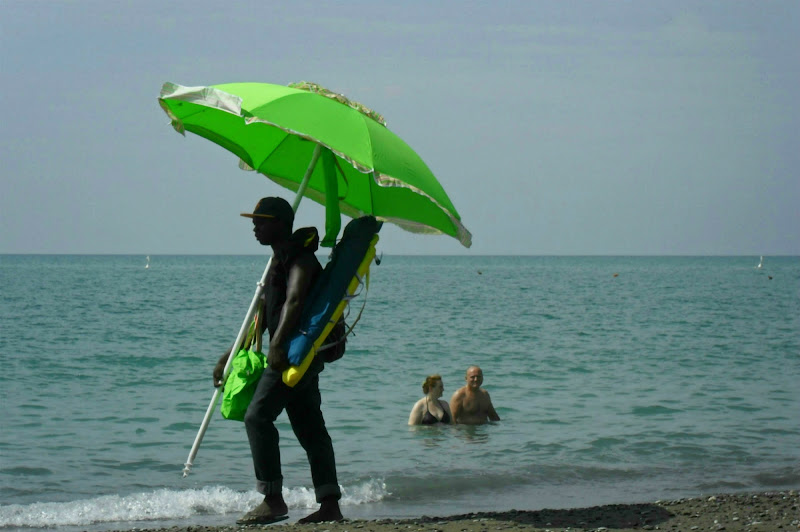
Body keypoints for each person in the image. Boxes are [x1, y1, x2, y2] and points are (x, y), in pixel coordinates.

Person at [212, 197, 343, 525]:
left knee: (257, 418)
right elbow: (263, 316)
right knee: (311, 428)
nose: (255, 227)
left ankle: (272, 499)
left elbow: (296, 300)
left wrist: (278, 346)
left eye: (261, 221)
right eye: (254, 221)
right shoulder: (277, 261)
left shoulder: (301, 259)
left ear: (281, 224)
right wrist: (231, 354)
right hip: (295, 357)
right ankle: (330, 504)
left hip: (291, 357)